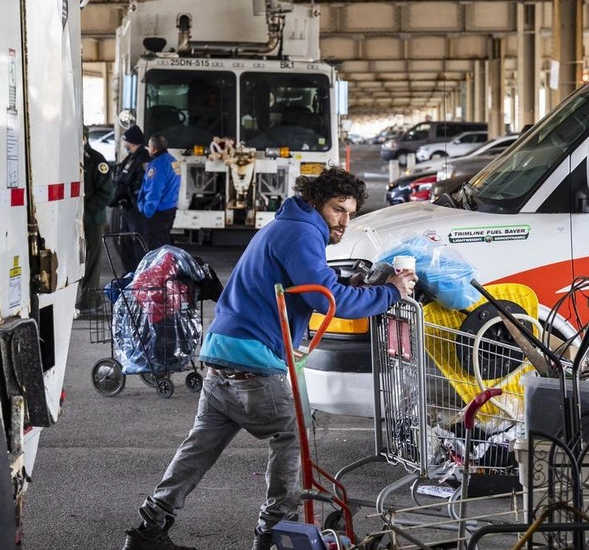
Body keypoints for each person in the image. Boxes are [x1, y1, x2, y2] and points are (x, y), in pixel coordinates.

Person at [121, 167, 417, 550]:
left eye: (350, 212)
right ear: (315, 202)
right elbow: (328, 299)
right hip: (253, 363)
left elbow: (309, 285)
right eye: (337, 209)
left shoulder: (286, 226)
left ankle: (149, 528)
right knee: (292, 436)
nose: (344, 221)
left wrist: (351, 286)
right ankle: (277, 533)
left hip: (220, 356)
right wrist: (391, 292)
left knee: (200, 447)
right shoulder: (301, 232)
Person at [77, 126, 113, 312]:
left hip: (92, 219)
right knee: (77, 259)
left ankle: (89, 299)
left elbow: (106, 192)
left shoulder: (97, 160)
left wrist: (85, 210)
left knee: (92, 258)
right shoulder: (72, 158)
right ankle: (82, 297)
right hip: (76, 219)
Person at [111, 124, 150, 272]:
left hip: (135, 209)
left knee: (137, 243)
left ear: (132, 141)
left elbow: (141, 183)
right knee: (126, 244)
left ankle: (139, 275)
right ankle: (130, 274)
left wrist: (132, 197)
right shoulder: (131, 157)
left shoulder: (143, 158)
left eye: (125, 140)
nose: (124, 143)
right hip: (127, 207)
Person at [138, 134, 180, 251]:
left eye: (149, 146)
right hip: (170, 209)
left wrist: (147, 212)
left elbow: (154, 190)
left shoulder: (157, 165)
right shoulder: (173, 161)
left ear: (153, 148)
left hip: (157, 212)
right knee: (164, 245)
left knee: (154, 248)